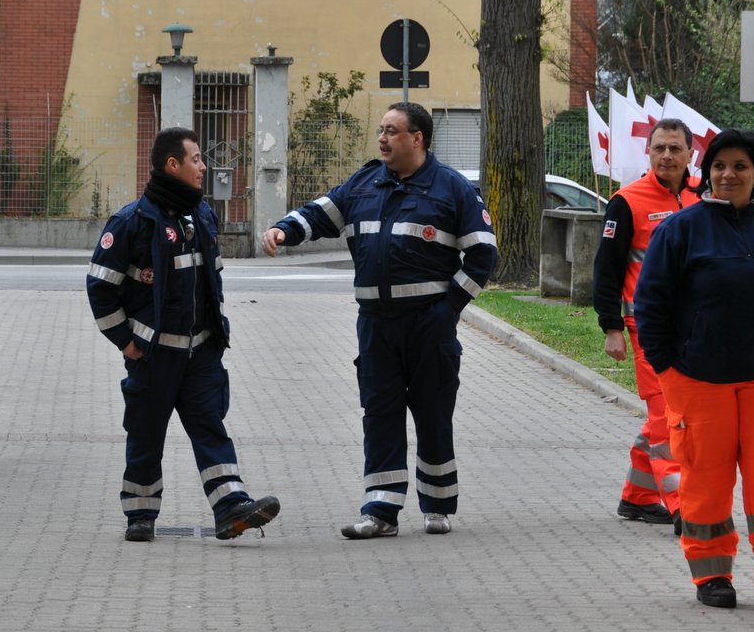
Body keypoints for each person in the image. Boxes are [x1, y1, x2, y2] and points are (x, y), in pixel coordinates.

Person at [261, 101, 497, 539]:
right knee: (379, 412)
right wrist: (282, 229)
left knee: (432, 413)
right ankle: (381, 510)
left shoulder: (452, 189)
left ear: (417, 139)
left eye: (392, 131)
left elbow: (483, 254)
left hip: (429, 324)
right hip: (375, 325)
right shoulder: (364, 183)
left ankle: (438, 503)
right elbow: (319, 213)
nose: (383, 139)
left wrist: (448, 311)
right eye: (381, 131)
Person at [632, 128, 754, 609]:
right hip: (698, 378)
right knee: (705, 477)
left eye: (740, 167)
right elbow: (650, 306)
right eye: (719, 166)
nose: (728, 174)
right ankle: (712, 575)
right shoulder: (681, 229)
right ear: (705, 173)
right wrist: (669, 371)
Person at [88, 127, 282, 543]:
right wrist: (125, 340)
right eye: (196, 159)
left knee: (210, 428)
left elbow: (212, 282)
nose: (204, 166)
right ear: (172, 165)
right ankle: (140, 514)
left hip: (202, 355)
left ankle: (231, 508)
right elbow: (99, 287)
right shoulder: (131, 222)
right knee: (145, 435)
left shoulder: (202, 216)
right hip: (153, 357)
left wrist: (216, 334)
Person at [592, 119, 699, 530]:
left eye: (675, 148)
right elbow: (607, 270)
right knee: (667, 416)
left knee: (669, 412)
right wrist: (611, 326)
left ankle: (637, 497)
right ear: (648, 153)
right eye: (659, 149)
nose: (667, 156)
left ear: (691, 154)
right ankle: (682, 505)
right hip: (647, 330)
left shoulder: (701, 197)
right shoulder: (627, 201)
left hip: (695, 330)